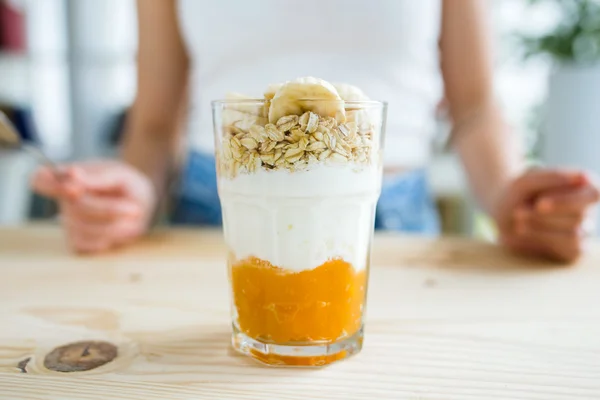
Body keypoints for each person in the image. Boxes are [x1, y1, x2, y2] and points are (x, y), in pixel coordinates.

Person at [31, 0, 599, 262]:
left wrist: (509, 197)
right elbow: (154, 127)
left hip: (389, 224)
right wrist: (136, 189)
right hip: (216, 218)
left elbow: (473, 106)